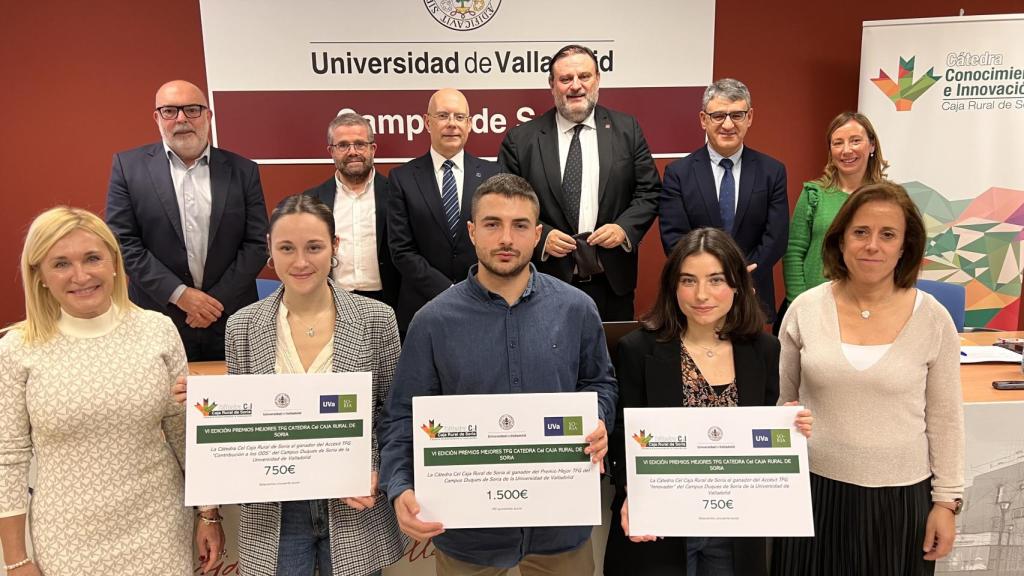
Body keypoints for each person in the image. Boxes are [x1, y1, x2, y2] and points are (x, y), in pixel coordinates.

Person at [379, 174, 618, 574]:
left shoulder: (576, 309)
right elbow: (403, 414)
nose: (506, 238)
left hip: (560, 525)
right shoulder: (432, 321)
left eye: (520, 225)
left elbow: (600, 383)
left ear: (538, 234)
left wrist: (600, 419)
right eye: (492, 224)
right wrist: (400, 484)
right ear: (472, 232)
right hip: (468, 531)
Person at [0, 207, 223, 576]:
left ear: (115, 263)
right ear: (38, 274)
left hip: (159, 529)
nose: (81, 275)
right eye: (60, 264)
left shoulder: (158, 331)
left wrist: (209, 515)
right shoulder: (16, 349)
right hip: (67, 538)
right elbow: (8, 458)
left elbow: (185, 431)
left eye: (92, 258)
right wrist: (17, 559)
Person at [205, 195, 406, 575]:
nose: (300, 261)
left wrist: (376, 468)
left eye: (314, 247)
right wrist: (205, 411)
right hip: (276, 512)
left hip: (353, 504)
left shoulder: (377, 319)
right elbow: (240, 426)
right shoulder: (243, 326)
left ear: (334, 247)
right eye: (286, 248)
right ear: (269, 250)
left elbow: (392, 413)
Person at [772, 182, 964, 575]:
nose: (872, 245)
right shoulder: (804, 310)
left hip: (900, 502)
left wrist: (946, 503)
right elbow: (780, 400)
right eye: (861, 232)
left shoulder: (933, 319)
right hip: (811, 492)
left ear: (905, 246)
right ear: (841, 240)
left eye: (887, 234)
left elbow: (946, 420)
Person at [605, 227, 812, 576]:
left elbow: (759, 440)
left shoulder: (764, 350)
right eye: (688, 281)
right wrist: (633, 492)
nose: (701, 294)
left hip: (734, 527)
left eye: (716, 280)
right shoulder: (638, 350)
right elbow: (623, 434)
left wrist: (786, 428)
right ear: (673, 286)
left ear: (736, 285)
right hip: (661, 524)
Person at [106, 79, 269, 361]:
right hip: (158, 316)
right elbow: (123, 243)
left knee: (234, 402)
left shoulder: (244, 171)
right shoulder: (128, 167)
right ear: (157, 118)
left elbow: (256, 243)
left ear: (208, 115)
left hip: (229, 317)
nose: (181, 119)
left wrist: (213, 303)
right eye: (170, 111)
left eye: (192, 109)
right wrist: (181, 295)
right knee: (160, 402)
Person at [498, 44, 660, 321]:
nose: (576, 86)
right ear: (552, 85)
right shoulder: (521, 140)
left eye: (584, 76)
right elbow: (506, 205)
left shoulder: (627, 130)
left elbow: (649, 191)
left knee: (609, 362)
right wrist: (542, 236)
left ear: (597, 79)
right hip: (544, 282)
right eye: (565, 79)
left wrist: (624, 229)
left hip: (612, 284)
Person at [659, 78, 788, 321]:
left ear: (749, 117)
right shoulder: (679, 173)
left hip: (752, 292)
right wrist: (712, 279)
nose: (728, 124)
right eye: (718, 115)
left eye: (737, 115)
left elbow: (776, 237)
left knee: (748, 359)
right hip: (698, 296)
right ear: (703, 120)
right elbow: (674, 238)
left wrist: (740, 277)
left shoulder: (772, 171)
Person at [387, 88, 500, 335]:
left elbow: (499, 240)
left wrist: (474, 288)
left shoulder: (494, 175)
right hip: (423, 309)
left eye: (460, 117)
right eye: (443, 116)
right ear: (428, 122)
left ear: (470, 124)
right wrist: (449, 290)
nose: (452, 124)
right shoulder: (402, 178)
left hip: (484, 304)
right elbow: (401, 250)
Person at [781, 111, 888, 314]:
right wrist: (798, 304)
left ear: (872, 145)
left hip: (869, 307)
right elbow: (793, 252)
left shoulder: (888, 199)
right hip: (815, 307)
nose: (846, 150)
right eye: (837, 143)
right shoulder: (814, 193)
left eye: (855, 141)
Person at [305, 111, 400, 308]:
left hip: (389, 302)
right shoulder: (311, 200)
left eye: (360, 144)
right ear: (331, 151)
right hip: (331, 302)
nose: (352, 151)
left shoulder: (397, 194)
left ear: (373, 148)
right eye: (343, 145)